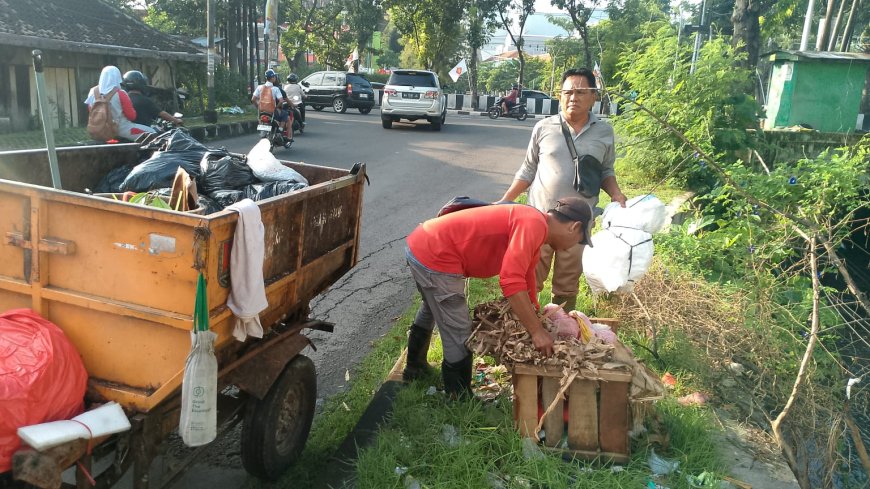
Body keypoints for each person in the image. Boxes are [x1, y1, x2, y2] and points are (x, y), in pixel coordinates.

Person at [402, 198, 596, 398]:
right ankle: (458, 398)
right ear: (574, 227)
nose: (572, 247)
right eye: (580, 241)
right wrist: (536, 331)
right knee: (458, 328)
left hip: (424, 243)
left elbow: (526, 275)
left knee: (432, 306)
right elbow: (511, 281)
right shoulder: (533, 225)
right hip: (434, 254)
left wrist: (535, 314)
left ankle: (415, 369)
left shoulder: (535, 223)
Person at [500, 68, 627, 313]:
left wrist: (616, 194)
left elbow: (606, 171)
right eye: (568, 92)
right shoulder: (543, 128)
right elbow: (528, 170)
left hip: (577, 225)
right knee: (530, 279)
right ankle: (525, 328)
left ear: (594, 96)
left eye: (581, 92)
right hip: (539, 220)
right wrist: (506, 199)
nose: (573, 98)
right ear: (560, 95)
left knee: (567, 285)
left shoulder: (604, 132)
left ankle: (562, 332)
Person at [84, 66, 154, 141]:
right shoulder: (120, 93)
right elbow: (132, 116)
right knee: (154, 133)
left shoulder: (92, 92)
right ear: (118, 77)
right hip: (121, 130)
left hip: (98, 130)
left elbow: (91, 111)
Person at [252, 69, 291, 147]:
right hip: (272, 112)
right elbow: (280, 101)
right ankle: (280, 130)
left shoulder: (259, 87)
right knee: (285, 114)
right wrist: (276, 107)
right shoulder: (275, 89)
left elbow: (253, 99)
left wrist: (258, 107)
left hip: (262, 112)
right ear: (273, 78)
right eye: (274, 77)